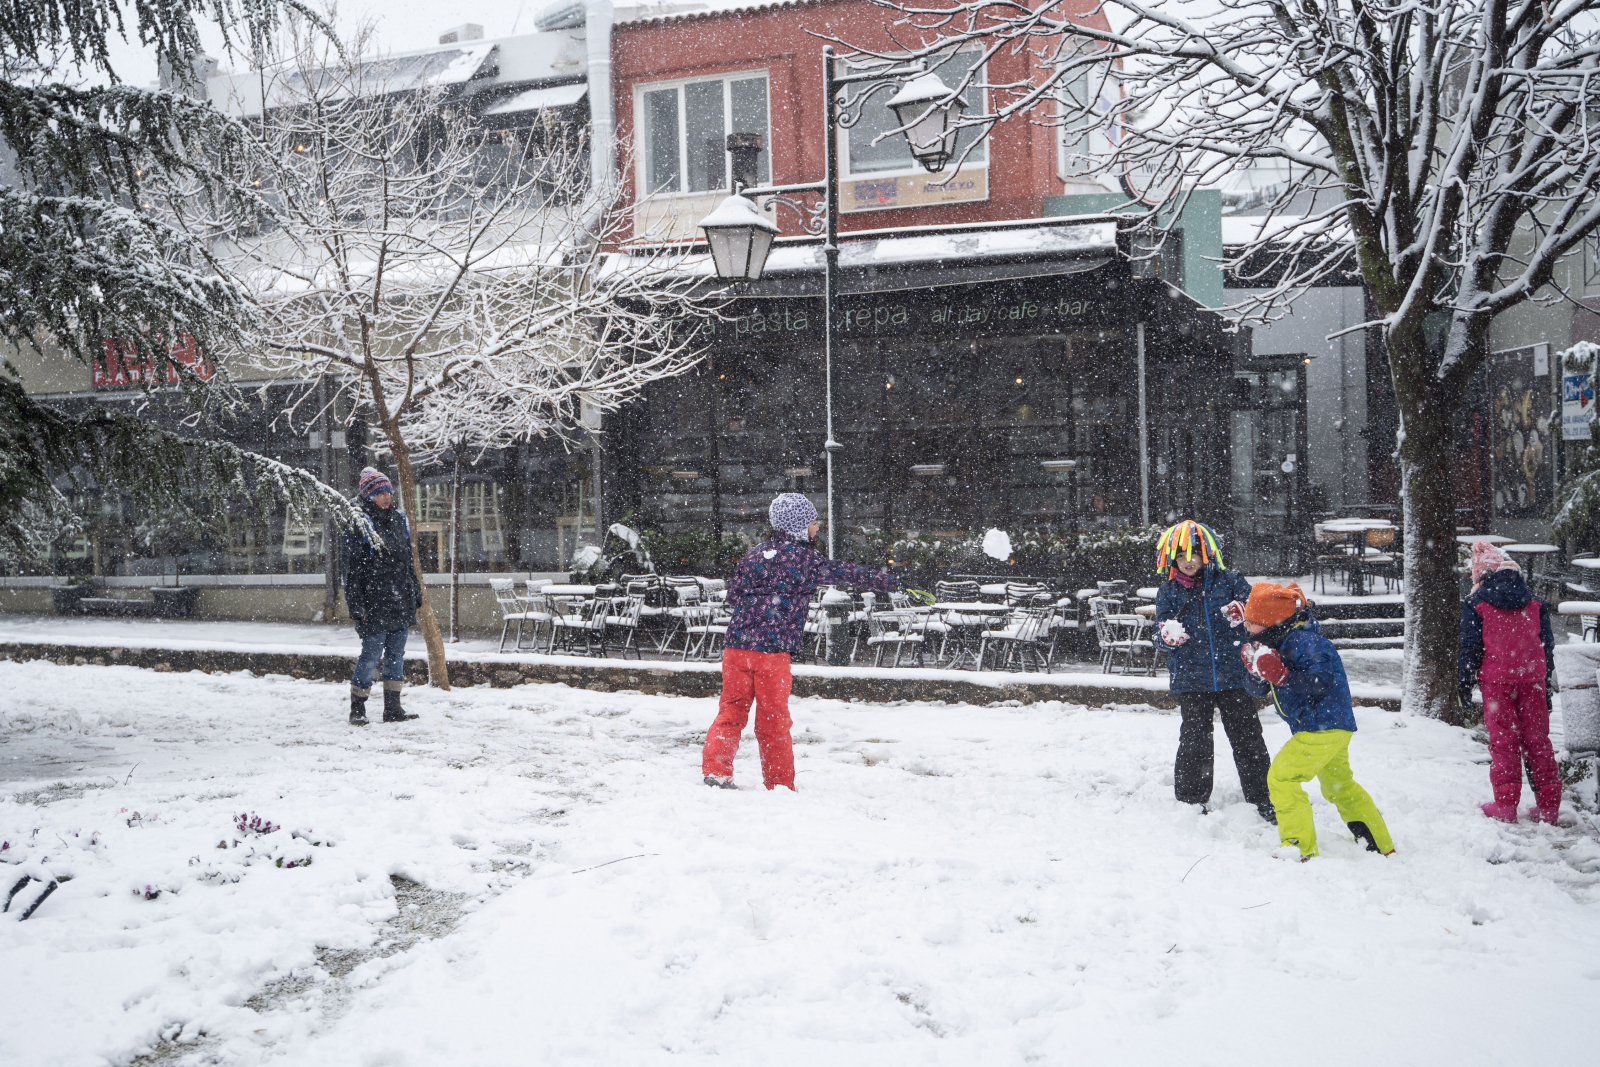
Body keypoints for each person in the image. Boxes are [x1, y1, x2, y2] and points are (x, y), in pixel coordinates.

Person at [702, 493, 900, 790]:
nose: (817, 527)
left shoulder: (754, 554)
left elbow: (733, 597)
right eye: (812, 522)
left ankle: (716, 772)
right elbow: (846, 573)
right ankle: (779, 783)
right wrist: (890, 582)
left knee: (730, 710)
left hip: (737, 647)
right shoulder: (805, 558)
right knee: (773, 719)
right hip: (772, 651)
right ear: (797, 526)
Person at [1240, 581, 1394, 860]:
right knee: (1339, 786)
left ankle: (1298, 847)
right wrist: (1255, 672)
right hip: (1330, 728)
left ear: (1271, 621)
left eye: (1253, 623)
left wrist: (1282, 675)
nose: (1247, 628)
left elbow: (1320, 682)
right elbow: (1259, 690)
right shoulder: (1273, 643)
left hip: (1320, 727)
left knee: (1281, 778)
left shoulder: (1307, 642)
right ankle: (1378, 844)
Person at [1151, 520, 1273, 821]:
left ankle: (1264, 798)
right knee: (1195, 739)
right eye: (1181, 556)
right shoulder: (1168, 591)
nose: (1188, 561)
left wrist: (1245, 612)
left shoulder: (1230, 580)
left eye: (1193, 554)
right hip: (1192, 677)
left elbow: (1257, 615)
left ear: (1206, 554)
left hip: (1233, 674)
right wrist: (1165, 639)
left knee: (1247, 738)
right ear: (1172, 559)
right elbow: (1158, 633)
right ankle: (1191, 800)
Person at [1458, 540, 1560, 824]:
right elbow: (1546, 645)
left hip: (1496, 681)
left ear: (1481, 575)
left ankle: (1505, 805)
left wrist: (1464, 682)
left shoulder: (1476, 604)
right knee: (1538, 741)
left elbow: (1470, 647)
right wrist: (1545, 680)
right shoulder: (1535, 602)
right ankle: (1549, 807)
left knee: (1504, 742)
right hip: (1533, 679)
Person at [341, 467, 423, 726]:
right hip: (373, 601)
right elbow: (350, 570)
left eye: (388, 491)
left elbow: (407, 561)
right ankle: (358, 708)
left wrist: (415, 590)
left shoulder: (399, 519)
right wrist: (357, 605)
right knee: (370, 655)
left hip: (399, 598)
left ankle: (393, 709)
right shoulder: (359, 523)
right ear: (368, 495)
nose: (386, 496)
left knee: (396, 655)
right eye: (379, 493)